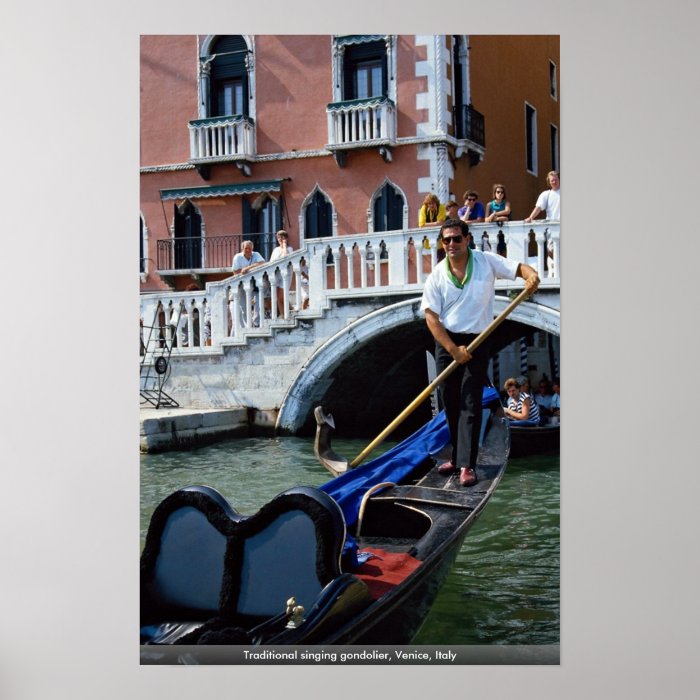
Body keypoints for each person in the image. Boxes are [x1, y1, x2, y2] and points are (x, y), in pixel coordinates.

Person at [421, 218, 539, 487]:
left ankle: (467, 465)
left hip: (478, 339)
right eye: (446, 240)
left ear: (467, 239)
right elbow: (431, 318)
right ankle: (456, 455)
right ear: (442, 244)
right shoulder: (437, 275)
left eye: (456, 238)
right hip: (447, 342)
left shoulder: (486, 261)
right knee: (449, 402)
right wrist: (453, 350)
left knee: (470, 402)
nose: (451, 244)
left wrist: (531, 275)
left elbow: (519, 268)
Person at [232, 240, 266, 326]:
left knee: (259, 305)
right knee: (244, 307)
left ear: (252, 248)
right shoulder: (237, 257)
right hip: (242, 285)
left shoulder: (256, 254)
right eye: (246, 248)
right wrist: (244, 270)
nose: (248, 250)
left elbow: (262, 263)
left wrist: (248, 268)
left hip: (256, 284)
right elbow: (235, 271)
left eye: (249, 248)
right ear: (242, 248)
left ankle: (256, 323)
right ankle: (248, 326)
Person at [269, 230, 294, 316]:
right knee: (277, 296)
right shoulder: (275, 250)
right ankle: (283, 314)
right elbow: (271, 262)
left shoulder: (289, 249)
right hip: (276, 275)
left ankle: (287, 313)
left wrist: (284, 245)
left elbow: (285, 256)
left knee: (282, 296)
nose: (280, 239)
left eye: (282, 237)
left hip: (286, 275)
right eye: (278, 237)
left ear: (286, 238)